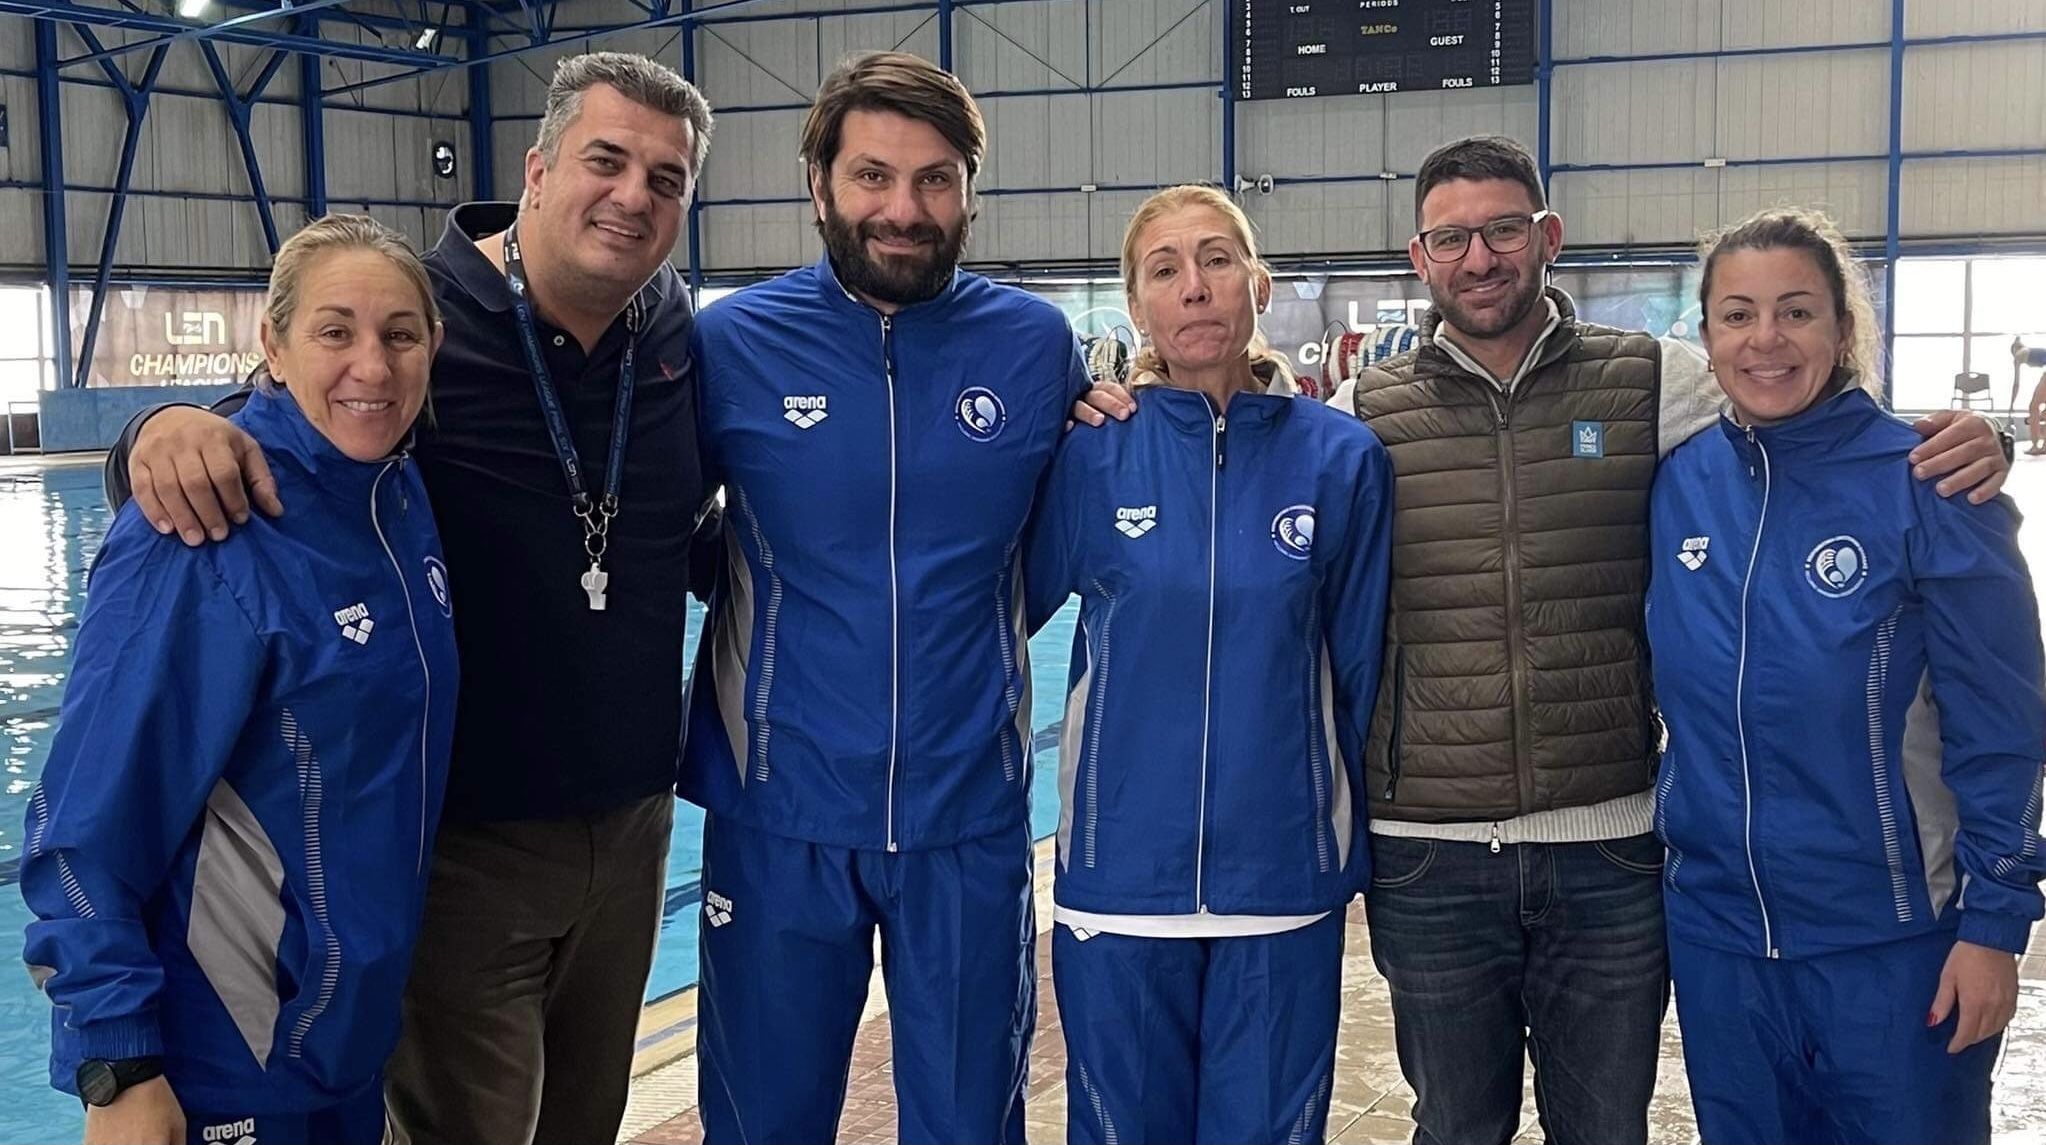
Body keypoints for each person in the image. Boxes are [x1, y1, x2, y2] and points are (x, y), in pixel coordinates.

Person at [1074, 135, 2011, 1145]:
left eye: (1504, 230)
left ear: (1548, 236)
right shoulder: (1360, 417)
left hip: (1606, 849)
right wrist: (1119, 413)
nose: (1479, 257)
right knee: (1456, 1126)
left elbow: (1788, 401)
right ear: (1420, 256)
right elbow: (1247, 471)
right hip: (1430, 856)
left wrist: (1962, 442)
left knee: (1604, 1127)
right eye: (1451, 238)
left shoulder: (1651, 380)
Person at [102, 53, 714, 1145]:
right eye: (606, 161)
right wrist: (157, 432)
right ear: (537, 170)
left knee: (587, 1122)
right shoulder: (424, 324)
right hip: (466, 848)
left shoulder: (671, 333)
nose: (633, 196)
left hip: (633, 831)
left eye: (665, 179)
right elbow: (288, 428)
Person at [681, 51, 1090, 1144]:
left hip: (968, 817)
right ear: (819, 185)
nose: (904, 209)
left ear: (969, 192)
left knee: (970, 1125)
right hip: (780, 813)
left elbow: (1058, 543)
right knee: (762, 1125)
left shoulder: (1035, 345)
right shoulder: (732, 342)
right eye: (873, 176)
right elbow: (654, 522)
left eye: (934, 179)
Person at [22, 214, 457, 1145]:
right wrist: (118, 1067)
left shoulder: (396, 498)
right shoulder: (202, 528)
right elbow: (82, 829)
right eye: (335, 331)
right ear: (273, 343)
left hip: (344, 1051)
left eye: (399, 334)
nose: (372, 366)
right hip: (226, 1069)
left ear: (435, 344)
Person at [1650, 207, 2046, 1145]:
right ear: (1706, 335)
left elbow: (2004, 729)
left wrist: (1995, 925)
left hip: (1894, 946)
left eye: (1796, 311)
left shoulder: (1930, 484)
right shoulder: (1677, 484)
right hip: (1720, 944)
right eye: (1738, 314)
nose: (1766, 339)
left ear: (1841, 327)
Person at [1021, 185, 1394, 1144]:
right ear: (1136, 306)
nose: (1194, 286)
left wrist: (1341, 847)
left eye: (1217, 259)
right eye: (1165, 269)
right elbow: (994, 622)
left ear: (1258, 286)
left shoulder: (1342, 460)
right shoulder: (1092, 457)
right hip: (1121, 883)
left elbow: (1359, 672)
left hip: (1282, 883)